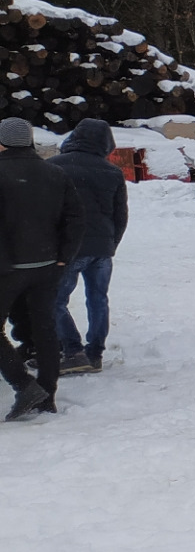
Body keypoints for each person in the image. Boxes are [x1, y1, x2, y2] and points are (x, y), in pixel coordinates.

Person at [0, 117, 85, 420]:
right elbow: (76, 218)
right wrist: (64, 256)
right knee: (45, 330)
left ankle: (24, 385)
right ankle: (47, 395)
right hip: (48, 265)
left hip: (7, 268)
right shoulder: (55, 173)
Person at [44, 119, 126, 376]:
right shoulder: (112, 171)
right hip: (102, 248)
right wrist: (111, 243)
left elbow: (47, 211)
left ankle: (73, 350)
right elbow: (120, 214)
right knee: (98, 299)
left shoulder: (54, 167)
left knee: (55, 300)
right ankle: (95, 353)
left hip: (69, 247)